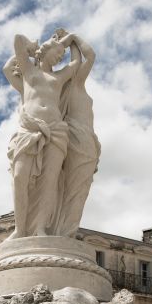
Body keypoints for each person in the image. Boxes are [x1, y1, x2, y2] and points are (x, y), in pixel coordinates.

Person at [3, 33, 80, 238]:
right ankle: (20, 229)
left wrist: (71, 40)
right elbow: (17, 40)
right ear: (46, 49)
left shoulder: (58, 77)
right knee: (20, 177)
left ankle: (39, 227)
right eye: (58, 53)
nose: (60, 57)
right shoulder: (29, 72)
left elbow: (76, 63)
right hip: (29, 129)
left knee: (49, 181)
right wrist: (38, 46)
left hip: (56, 130)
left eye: (62, 55)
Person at [51, 29, 101, 237]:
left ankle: (63, 232)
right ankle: (64, 233)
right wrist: (72, 39)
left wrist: (70, 43)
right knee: (74, 191)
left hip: (83, 140)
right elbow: (89, 56)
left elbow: (80, 59)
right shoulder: (73, 86)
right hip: (79, 139)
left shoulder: (65, 88)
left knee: (72, 191)